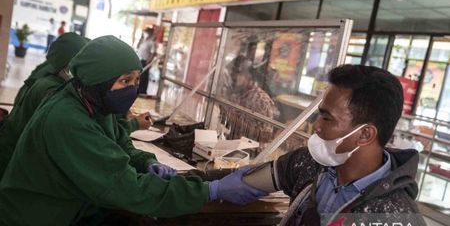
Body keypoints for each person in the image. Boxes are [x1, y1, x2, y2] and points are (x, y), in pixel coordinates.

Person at [0, 35, 266, 225]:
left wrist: (146, 161)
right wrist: (211, 191)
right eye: (124, 81)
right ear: (97, 82)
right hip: (38, 215)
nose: (132, 89)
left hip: (70, 207)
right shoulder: (67, 120)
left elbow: (120, 145)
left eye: (136, 80)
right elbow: (128, 189)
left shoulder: (93, 104)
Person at [249, 65, 426, 226]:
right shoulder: (310, 163)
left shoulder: (395, 215)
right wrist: (220, 188)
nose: (317, 126)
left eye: (327, 118)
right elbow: (244, 183)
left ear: (365, 134)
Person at [0, 32, 87, 178]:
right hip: (15, 164)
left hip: (11, 147)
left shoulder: (48, 70)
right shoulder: (51, 89)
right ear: (71, 63)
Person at [221, 55, 276, 146]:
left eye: (238, 73)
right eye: (232, 73)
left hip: (252, 154)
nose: (233, 77)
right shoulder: (236, 94)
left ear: (249, 76)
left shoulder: (260, 99)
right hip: (232, 147)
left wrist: (234, 120)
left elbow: (267, 137)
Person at [137, 27, 157, 94]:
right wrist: (141, 39)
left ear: (150, 33)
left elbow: (153, 53)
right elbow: (138, 47)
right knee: (139, 76)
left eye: (146, 32)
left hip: (145, 61)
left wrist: (148, 62)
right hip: (139, 60)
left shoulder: (151, 42)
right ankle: (138, 89)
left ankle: (142, 91)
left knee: (144, 77)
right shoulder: (143, 41)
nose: (145, 34)